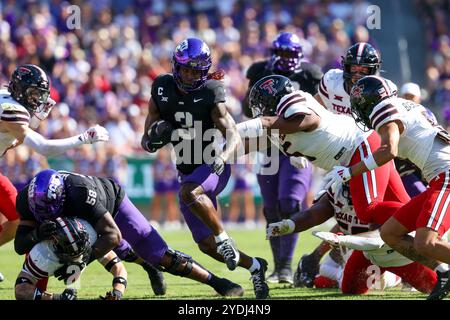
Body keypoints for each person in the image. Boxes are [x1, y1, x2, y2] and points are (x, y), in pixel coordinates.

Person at [141, 37, 269, 299]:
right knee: (206, 246)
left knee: (189, 194)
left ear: (204, 71)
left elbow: (232, 134)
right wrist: (154, 138)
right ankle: (256, 267)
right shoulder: (162, 87)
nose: (189, 76)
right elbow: (146, 141)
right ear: (176, 67)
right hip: (186, 169)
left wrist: (223, 156)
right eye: (185, 69)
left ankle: (224, 238)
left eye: (195, 71)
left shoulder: (212, 91)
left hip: (212, 164)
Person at [15, 169, 243, 298]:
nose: (48, 216)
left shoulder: (80, 192)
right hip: (80, 219)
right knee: (122, 252)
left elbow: (112, 235)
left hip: (111, 203)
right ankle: (146, 266)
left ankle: (218, 282)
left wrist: (79, 263)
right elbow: (19, 245)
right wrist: (36, 234)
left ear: (62, 197)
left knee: (157, 254)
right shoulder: (26, 200)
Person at [329, 75, 450, 300]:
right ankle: (444, 272)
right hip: (438, 176)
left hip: (446, 177)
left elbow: (388, 151)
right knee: (390, 233)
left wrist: (350, 171)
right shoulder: (406, 105)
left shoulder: (384, 109)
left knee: (426, 242)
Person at [237, 74, 410, 228]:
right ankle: (423, 232)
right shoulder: (279, 128)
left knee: (367, 211)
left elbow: (288, 121)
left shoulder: (299, 109)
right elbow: (246, 145)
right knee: (400, 202)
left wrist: (234, 128)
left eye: (261, 105)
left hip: (360, 146)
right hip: (352, 155)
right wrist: (217, 154)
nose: (258, 111)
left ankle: (418, 218)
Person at [0, 64, 108, 284]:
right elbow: (43, 147)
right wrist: (84, 138)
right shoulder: (10, 109)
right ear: (19, 90)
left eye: (40, 94)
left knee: (18, 217)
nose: (37, 99)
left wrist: (36, 120)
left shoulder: (8, 99)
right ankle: (31, 285)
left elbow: (18, 135)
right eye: (33, 93)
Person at [240, 31, 322, 283]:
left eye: (290, 54)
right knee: (271, 208)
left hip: (299, 146)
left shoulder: (310, 75)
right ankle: (279, 267)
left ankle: (286, 265)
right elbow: (246, 108)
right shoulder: (259, 71)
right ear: (273, 54)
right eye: (282, 53)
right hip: (268, 146)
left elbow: (320, 110)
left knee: (291, 203)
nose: (286, 59)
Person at [265, 179, 437, 295]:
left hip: (401, 254)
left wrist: (342, 240)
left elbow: (378, 237)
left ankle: (397, 278)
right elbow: (313, 215)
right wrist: (288, 225)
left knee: (436, 287)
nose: (351, 195)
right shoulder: (337, 191)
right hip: (365, 253)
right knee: (348, 289)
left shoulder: (385, 200)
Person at [15, 216, 127, 300]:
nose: (77, 256)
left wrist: (117, 293)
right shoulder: (42, 254)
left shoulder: (89, 236)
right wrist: (57, 298)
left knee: (126, 251)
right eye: (72, 253)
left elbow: (119, 269)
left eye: (81, 252)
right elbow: (20, 290)